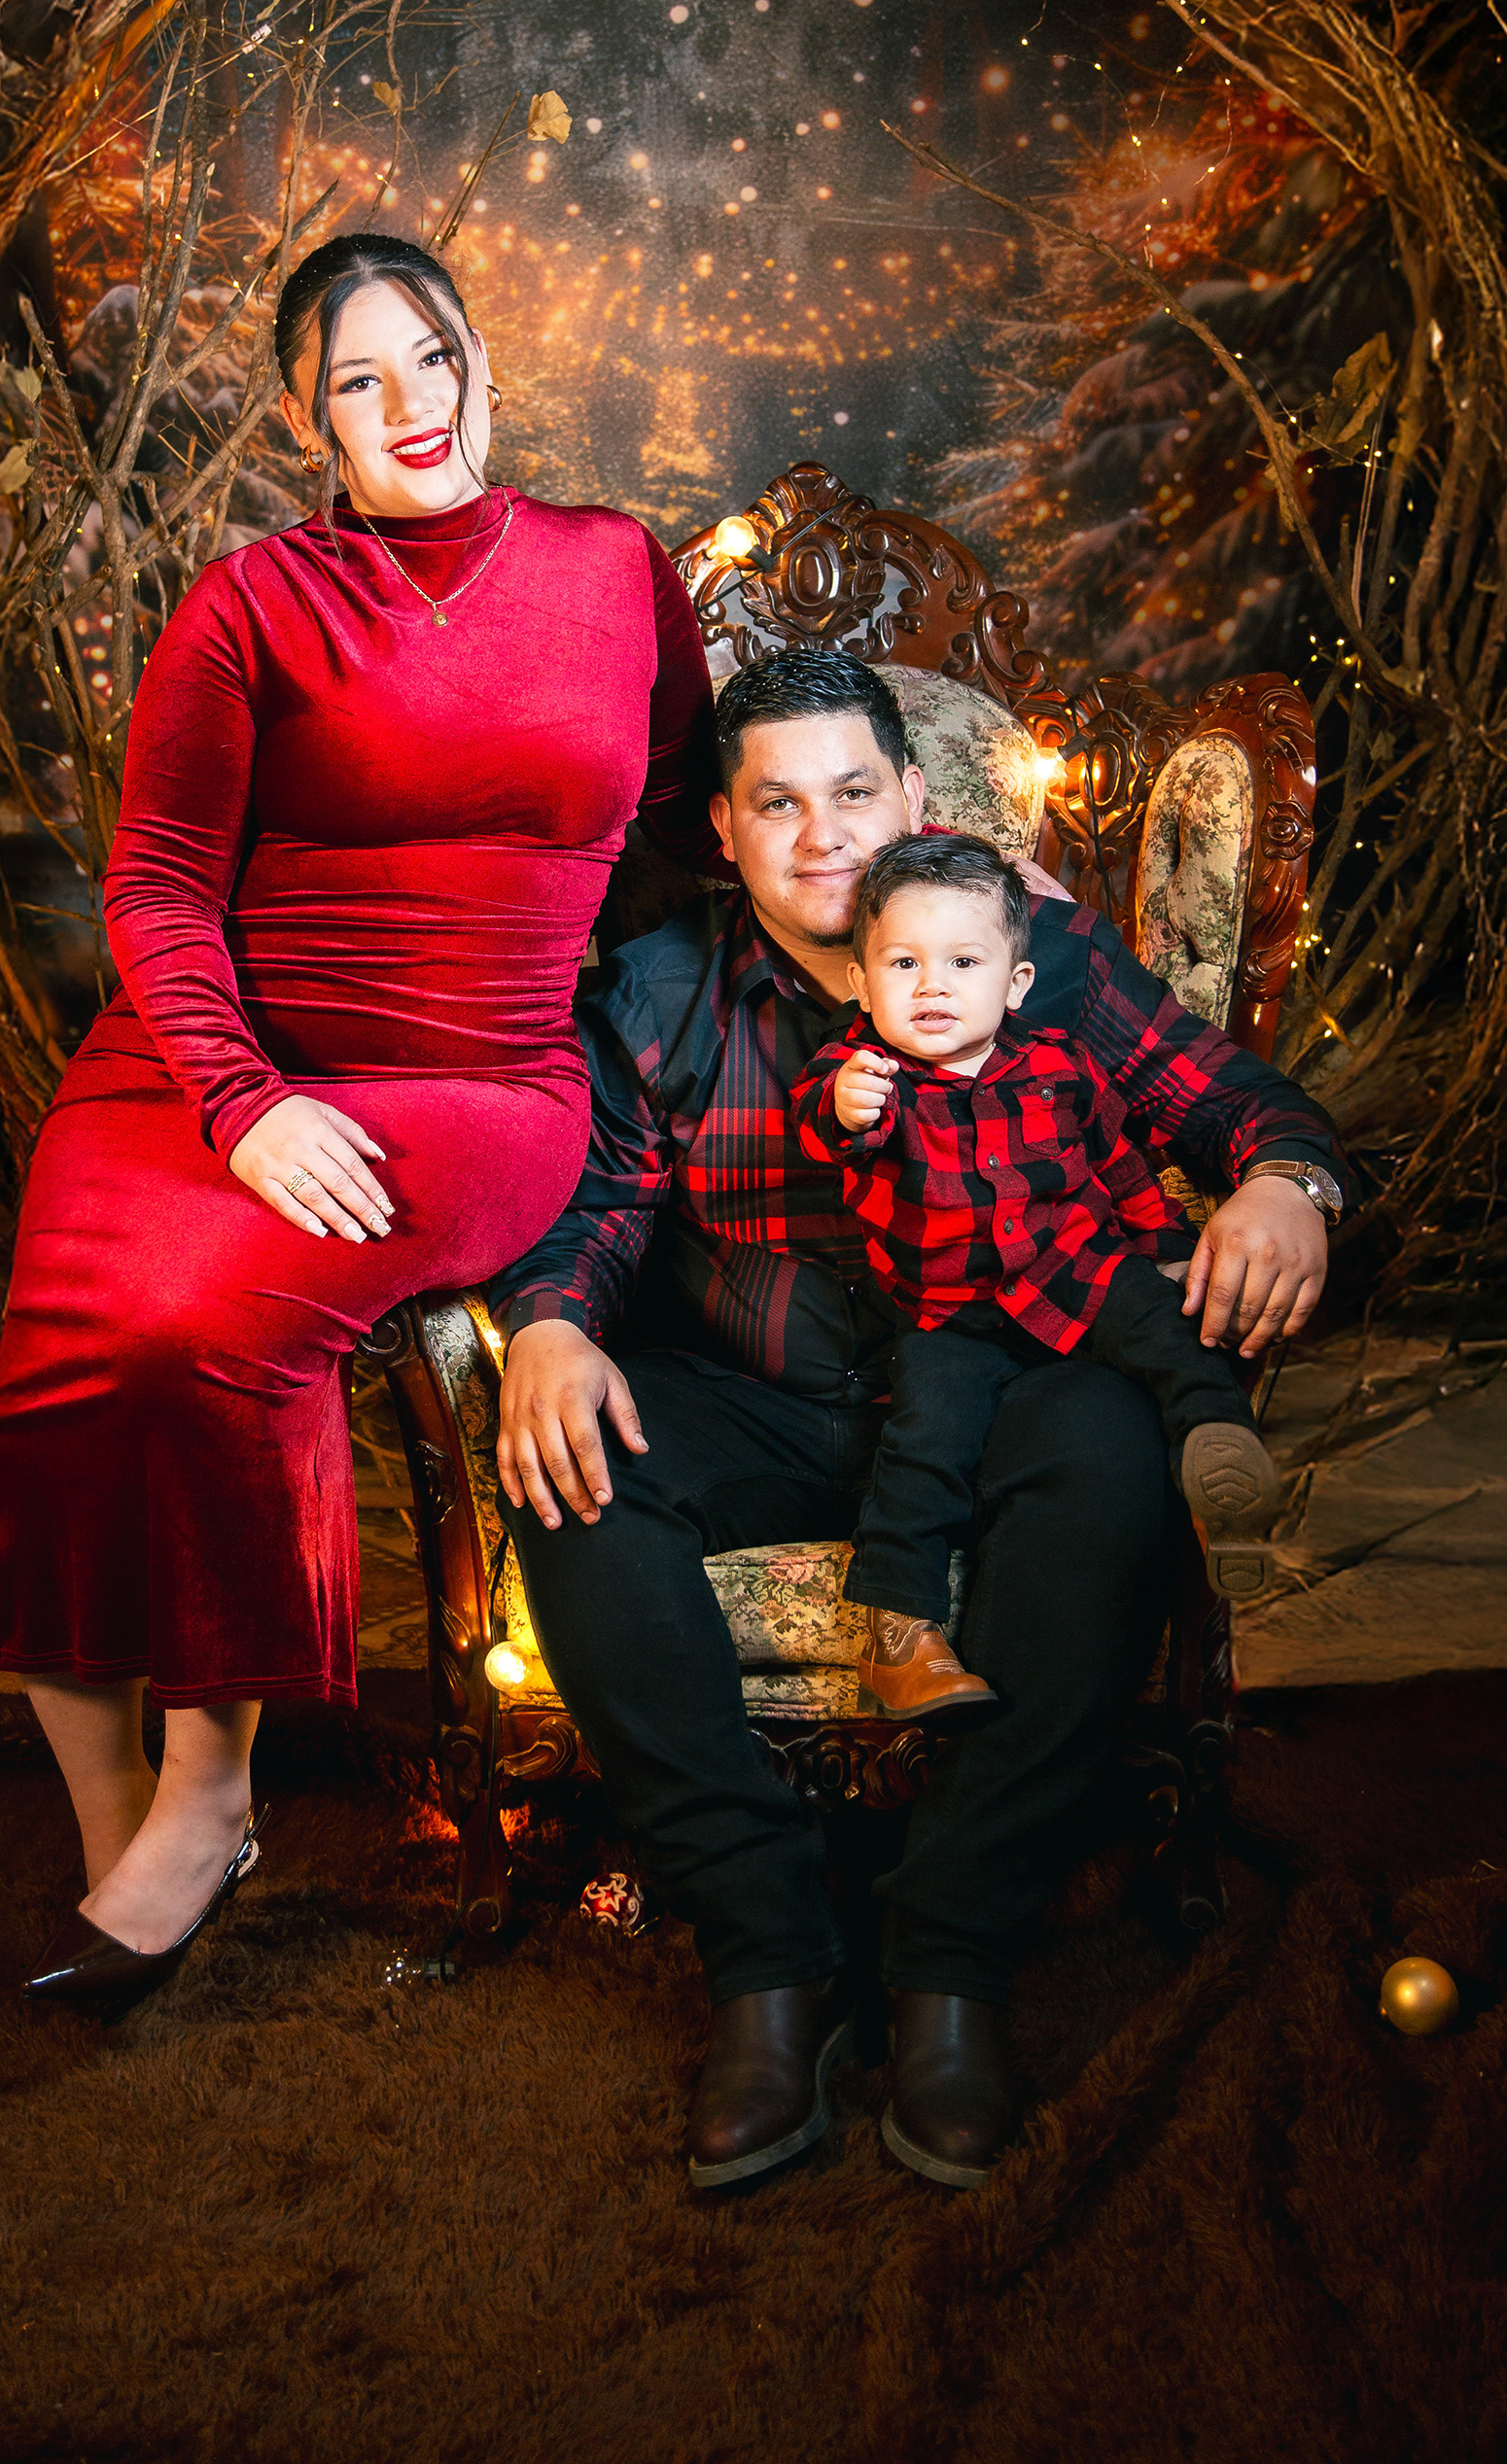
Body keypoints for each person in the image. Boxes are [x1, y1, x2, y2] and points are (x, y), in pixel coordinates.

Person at [492, 647, 1350, 2191]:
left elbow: (1238, 1101)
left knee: (1113, 1461)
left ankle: (951, 1958)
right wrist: (551, 1327)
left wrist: (1289, 1182)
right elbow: (598, 1207)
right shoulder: (661, 989)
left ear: (915, 797)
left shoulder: (1040, 956)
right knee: (576, 1477)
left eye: (853, 792)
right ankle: (770, 1958)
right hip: (756, 1393)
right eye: (778, 804)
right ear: (725, 831)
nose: (823, 834)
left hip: (1001, 1386)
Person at [0, 229, 718, 2009]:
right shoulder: (248, 603)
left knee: (201, 1330)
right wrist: (241, 1107)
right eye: (357, 382)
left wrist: (903, 914)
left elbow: (688, 833)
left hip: (480, 1084)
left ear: (481, 364)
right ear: (310, 419)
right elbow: (155, 887)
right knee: (65, 1373)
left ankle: (209, 1785)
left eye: (432, 359)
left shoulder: (617, 569)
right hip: (205, 1072)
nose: (410, 406)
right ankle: (123, 1840)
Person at [791, 831, 1284, 1728]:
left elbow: (1120, 1162)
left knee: (1169, 1331)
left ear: (1015, 982)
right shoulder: (866, 1074)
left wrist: (1164, 1245)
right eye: (903, 963)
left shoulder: (1060, 1062)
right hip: (950, 1313)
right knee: (924, 1448)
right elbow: (825, 1126)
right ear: (862, 982)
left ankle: (1218, 1462)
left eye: (963, 962)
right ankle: (899, 1637)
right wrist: (845, 1104)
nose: (932, 986)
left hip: (1077, 1270)